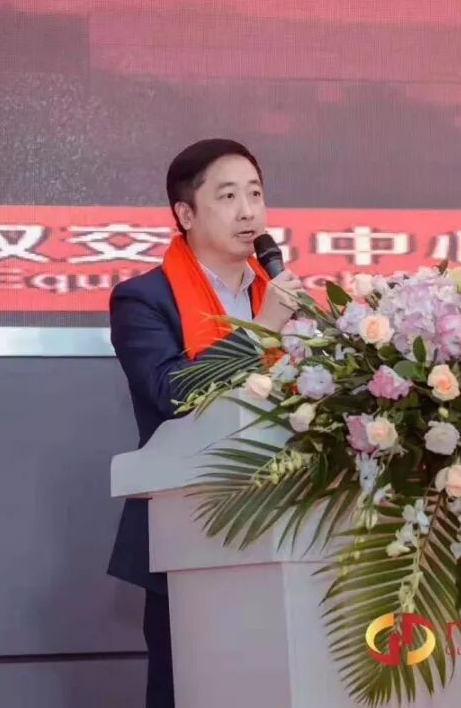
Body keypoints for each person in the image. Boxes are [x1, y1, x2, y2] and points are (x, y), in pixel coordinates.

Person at [107, 138, 303, 708]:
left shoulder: (287, 298)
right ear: (185, 213)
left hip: (291, 526)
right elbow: (172, 392)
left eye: (255, 194)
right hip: (187, 534)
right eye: (228, 196)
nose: (248, 211)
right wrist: (264, 331)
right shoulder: (143, 299)